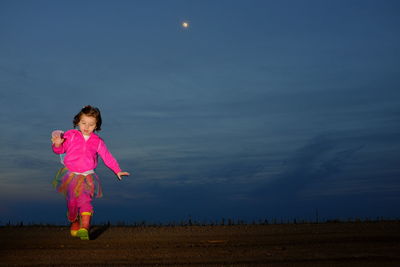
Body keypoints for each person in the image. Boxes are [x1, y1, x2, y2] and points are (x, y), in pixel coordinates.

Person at [51, 105, 129, 240]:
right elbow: (60, 150)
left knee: (85, 200)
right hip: (70, 175)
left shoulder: (97, 142)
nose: (87, 127)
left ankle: (85, 227)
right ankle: (74, 221)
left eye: (91, 124)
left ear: (96, 125)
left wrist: (117, 170)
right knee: (72, 203)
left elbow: (107, 157)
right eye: (83, 123)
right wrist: (58, 144)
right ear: (77, 122)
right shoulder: (71, 135)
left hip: (88, 176)